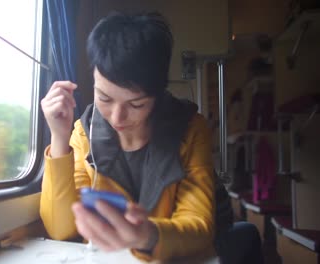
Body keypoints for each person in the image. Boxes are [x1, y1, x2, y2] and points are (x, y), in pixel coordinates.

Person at [40, 12, 262, 263]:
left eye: (136, 104)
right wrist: (59, 137)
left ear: (158, 94)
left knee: (249, 236)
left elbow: (198, 225)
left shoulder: (190, 129)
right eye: (104, 98)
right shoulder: (86, 130)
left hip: (175, 254)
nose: (117, 117)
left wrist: (146, 236)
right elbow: (60, 229)